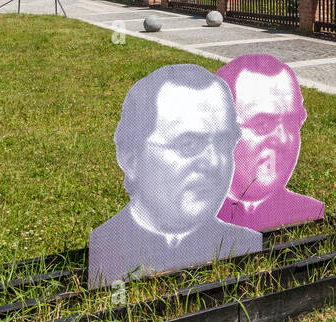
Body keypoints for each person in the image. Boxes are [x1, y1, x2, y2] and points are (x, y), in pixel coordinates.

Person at [87, 65, 262, 287]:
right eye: (189, 144)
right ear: (130, 158)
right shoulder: (105, 249)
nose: (215, 163)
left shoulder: (247, 244)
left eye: (225, 144)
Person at [216, 55, 325, 232]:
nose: (283, 140)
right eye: (262, 124)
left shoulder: (310, 211)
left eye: (292, 122)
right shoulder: (185, 223)